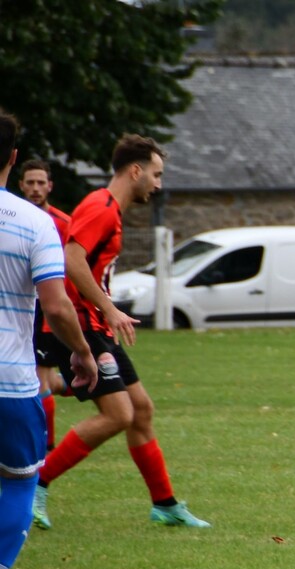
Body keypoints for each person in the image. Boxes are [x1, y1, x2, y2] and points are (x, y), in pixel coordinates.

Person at [32, 133, 211, 529]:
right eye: (156, 174)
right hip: (82, 327)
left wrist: (106, 312)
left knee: (141, 410)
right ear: (135, 171)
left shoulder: (108, 207)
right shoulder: (102, 208)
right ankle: (35, 486)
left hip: (97, 327)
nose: (158, 184)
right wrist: (109, 308)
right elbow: (72, 260)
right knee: (118, 415)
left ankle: (164, 504)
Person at [0, 110, 98, 569]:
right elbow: (57, 307)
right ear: (13, 159)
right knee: (19, 482)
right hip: (11, 381)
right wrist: (81, 352)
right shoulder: (34, 222)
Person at [19, 159, 72, 451]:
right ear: (21, 185)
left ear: (50, 186)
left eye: (41, 183)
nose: (36, 188)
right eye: (30, 182)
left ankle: (46, 446)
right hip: (19, 307)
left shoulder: (63, 224)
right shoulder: (13, 218)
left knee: (40, 377)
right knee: (44, 376)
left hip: (47, 310)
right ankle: (77, 383)